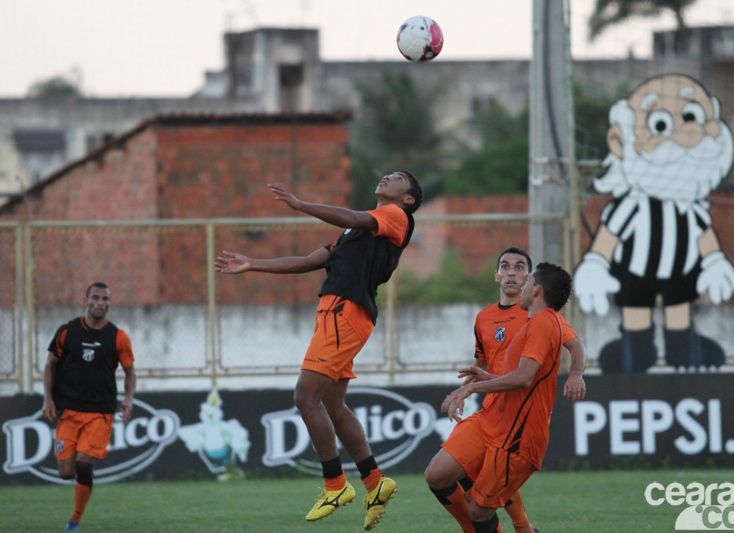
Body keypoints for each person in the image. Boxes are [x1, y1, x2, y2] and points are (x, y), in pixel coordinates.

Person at [214, 171, 423, 530]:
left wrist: (300, 204)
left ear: (408, 199)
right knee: (332, 403)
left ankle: (335, 484)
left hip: (345, 312)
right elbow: (309, 260)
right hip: (340, 312)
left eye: (399, 178)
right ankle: (375, 482)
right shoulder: (358, 232)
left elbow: (355, 217)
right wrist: (253, 264)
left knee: (304, 396)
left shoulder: (395, 216)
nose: (388, 176)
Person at [572, 74, 734, 372]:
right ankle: (634, 353)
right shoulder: (630, 206)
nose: (679, 135)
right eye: (660, 124)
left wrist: (715, 263)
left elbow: (705, 237)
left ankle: (684, 351)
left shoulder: (691, 206)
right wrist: (595, 265)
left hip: (681, 272)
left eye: (691, 117)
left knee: (679, 312)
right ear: (619, 141)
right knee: (636, 312)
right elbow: (607, 239)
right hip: (636, 272)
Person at [425, 263, 581, 533]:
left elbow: (524, 377)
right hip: (491, 419)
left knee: (479, 509)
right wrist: (484, 377)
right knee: (437, 474)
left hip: (516, 434)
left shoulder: (545, 321)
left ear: (537, 290)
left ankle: (523, 529)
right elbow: (519, 376)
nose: (522, 284)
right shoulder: (530, 321)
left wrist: (471, 389)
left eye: (527, 278)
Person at [41, 282, 136, 531]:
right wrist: (48, 398)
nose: (100, 303)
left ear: (109, 303)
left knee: (84, 465)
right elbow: (50, 364)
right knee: (65, 472)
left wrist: (128, 399)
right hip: (69, 412)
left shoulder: (118, 337)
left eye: (105, 299)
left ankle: (75, 520)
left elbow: (130, 373)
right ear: (86, 300)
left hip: (100, 413)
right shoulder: (67, 332)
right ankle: (81, 485)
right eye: (96, 298)